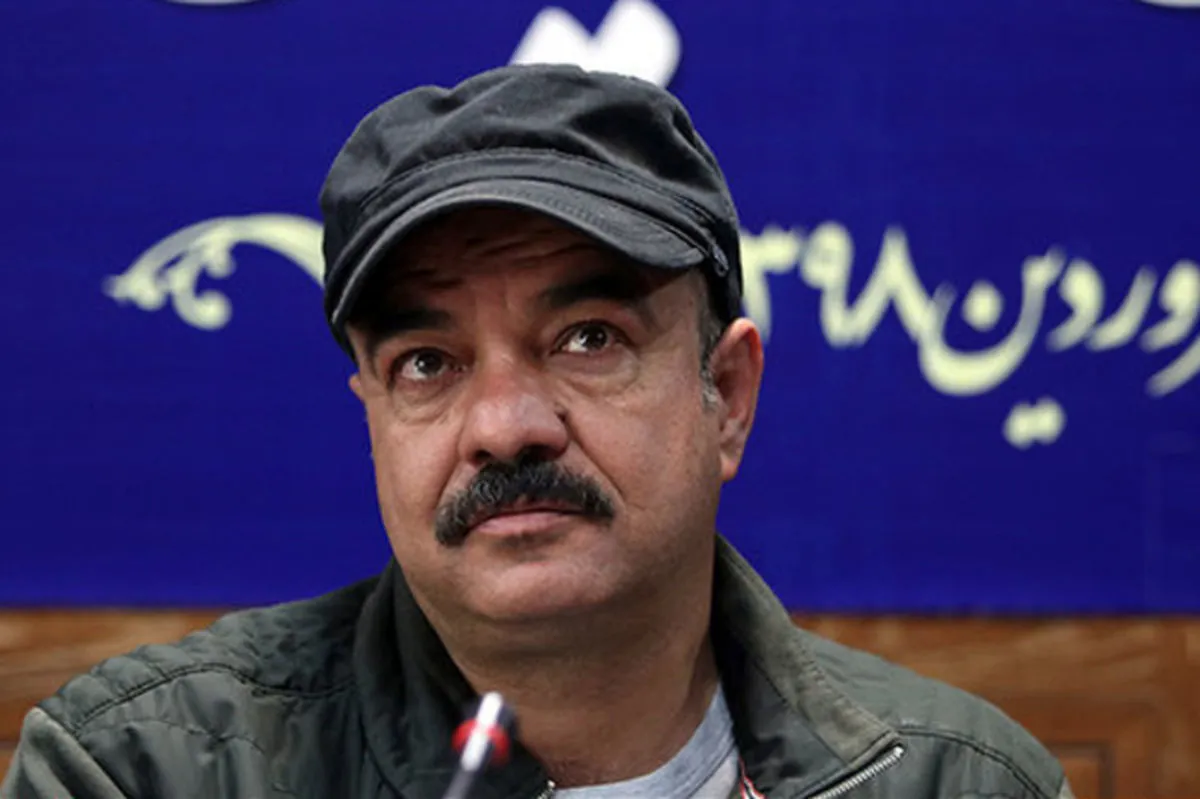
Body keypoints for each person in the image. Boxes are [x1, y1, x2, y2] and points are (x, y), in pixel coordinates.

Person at [2, 64, 1073, 799]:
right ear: (373, 416)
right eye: (429, 362)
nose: (506, 426)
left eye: (588, 338)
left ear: (728, 394)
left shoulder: (962, 782)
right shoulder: (141, 770)